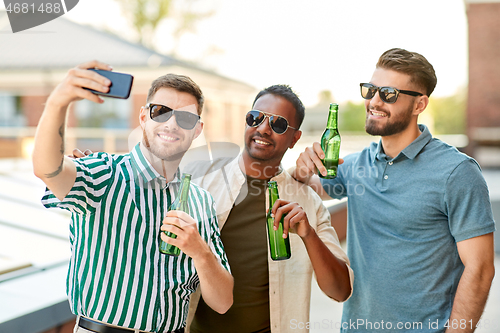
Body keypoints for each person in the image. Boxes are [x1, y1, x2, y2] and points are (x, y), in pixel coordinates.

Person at [292, 48, 496, 332]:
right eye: (370, 90)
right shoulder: (357, 164)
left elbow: (481, 269)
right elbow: (305, 189)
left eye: (388, 94)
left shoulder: (457, 172)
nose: (374, 101)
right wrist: (299, 169)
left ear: (419, 105)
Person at [32, 60, 233, 333]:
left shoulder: (200, 201)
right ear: (143, 117)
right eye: (160, 112)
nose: (171, 123)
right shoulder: (103, 173)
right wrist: (58, 102)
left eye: (185, 118)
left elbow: (222, 302)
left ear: (197, 130)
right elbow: (48, 169)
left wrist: (199, 251)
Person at [183, 84, 354, 333]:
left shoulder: (308, 202)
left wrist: (309, 235)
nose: (263, 128)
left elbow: (340, 291)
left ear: (295, 138)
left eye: (279, 124)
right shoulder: (203, 184)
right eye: (255, 118)